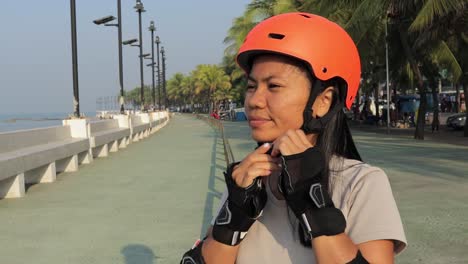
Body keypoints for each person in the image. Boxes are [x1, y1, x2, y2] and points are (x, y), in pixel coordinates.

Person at [181, 12, 406, 264]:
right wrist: (236, 211)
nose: (254, 101)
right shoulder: (248, 178)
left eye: (273, 86)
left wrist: (313, 198)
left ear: (323, 101)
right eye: (252, 86)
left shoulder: (361, 184)